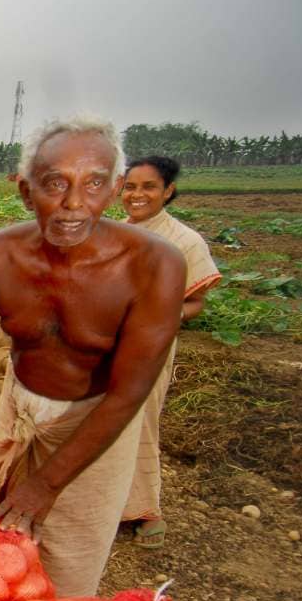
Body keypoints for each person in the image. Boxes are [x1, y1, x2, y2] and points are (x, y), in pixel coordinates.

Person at [0, 115, 186, 597]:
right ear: (27, 192)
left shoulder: (155, 266)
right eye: (55, 184)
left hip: (97, 417)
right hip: (18, 404)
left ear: (114, 190)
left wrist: (46, 485)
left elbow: (129, 392)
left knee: (65, 571)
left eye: (93, 184)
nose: (73, 204)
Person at [119, 156, 221, 548]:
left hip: (148, 347)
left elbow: (196, 302)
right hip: (104, 344)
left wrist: (163, 315)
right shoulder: (114, 233)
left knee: (140, 421)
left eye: (149, 187)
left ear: (168, 191)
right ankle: (102, 504)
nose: (137, 194)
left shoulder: (184, 240)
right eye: (130, 186)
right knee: (94, 421)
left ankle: (146, 510)